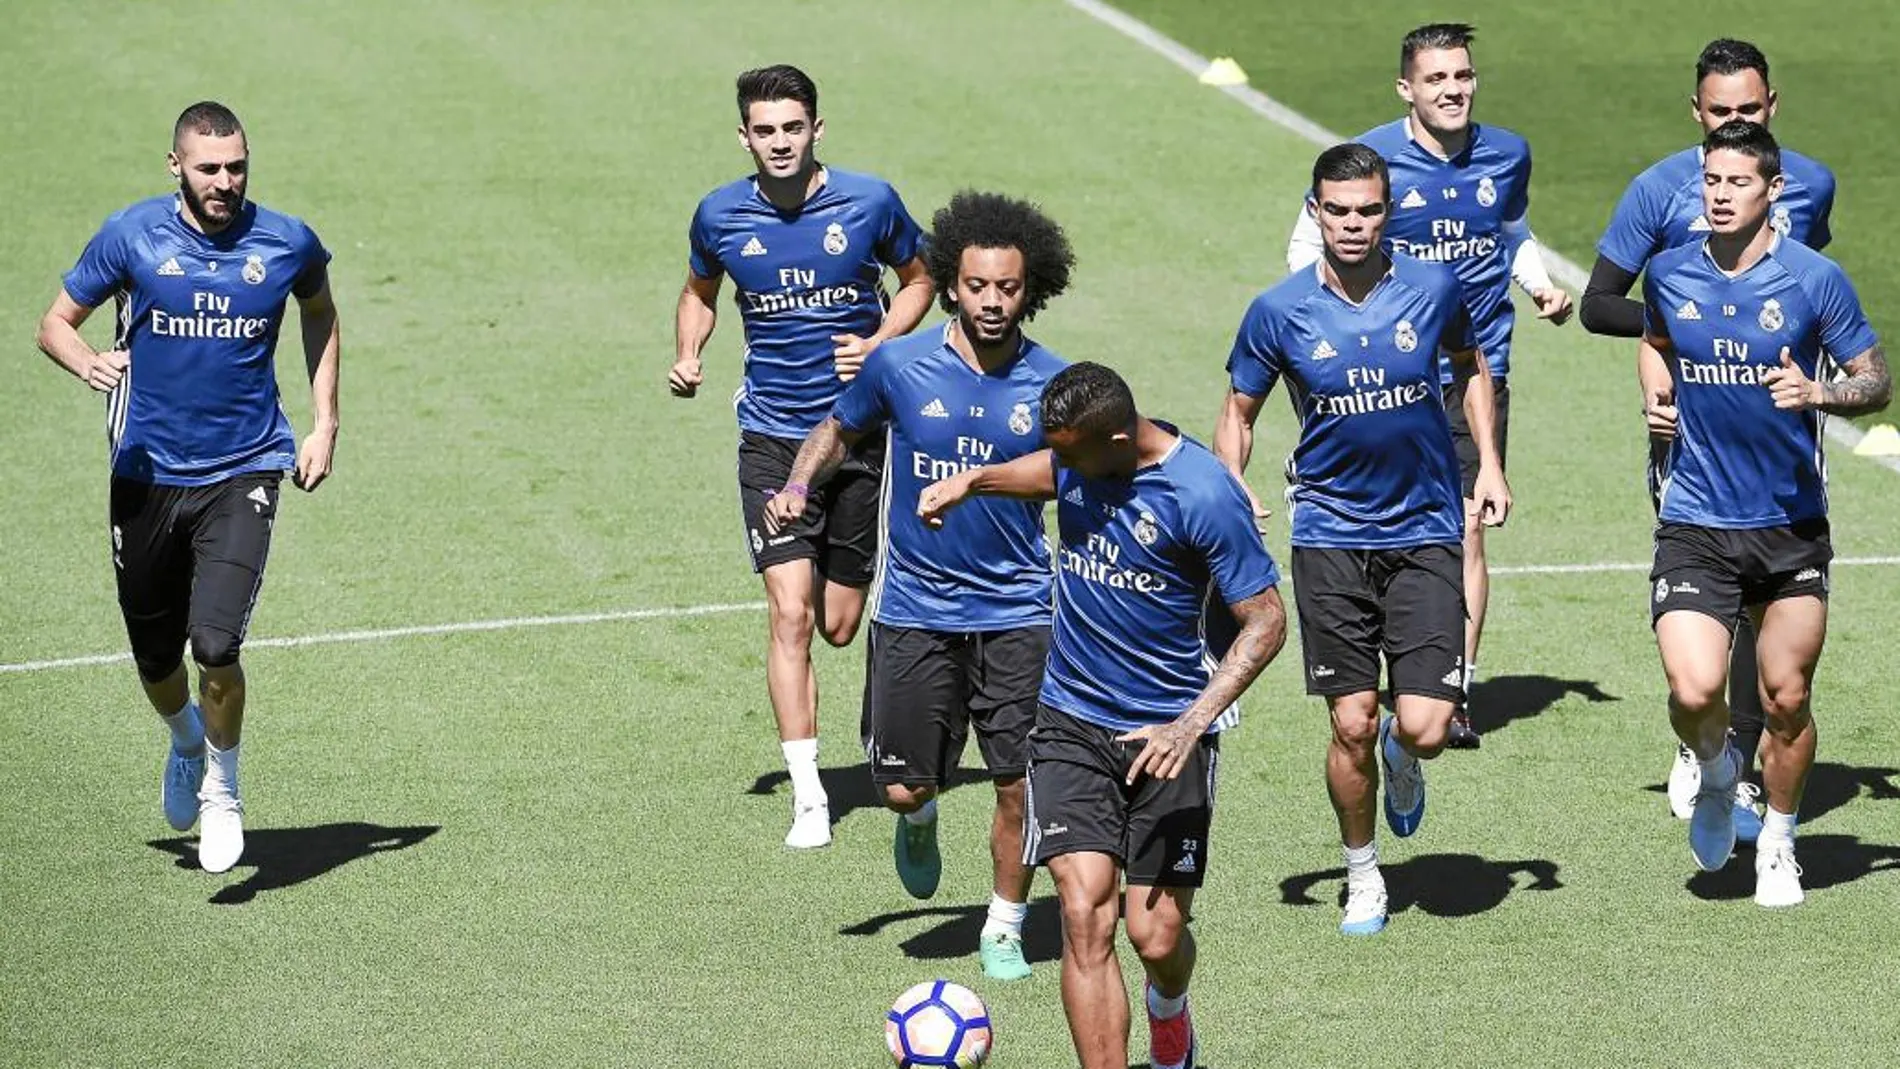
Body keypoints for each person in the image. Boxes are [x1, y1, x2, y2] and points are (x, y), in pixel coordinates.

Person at [918, 362, 1287, 1069]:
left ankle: (1169, 1009)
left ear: (1117, 438)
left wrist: (1190, 723)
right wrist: (973, 481)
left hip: (1167, 733)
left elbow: (1267, 621)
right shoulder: (1082, 460)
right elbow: (1042, 472)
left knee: (1154, 934)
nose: (1060, 466)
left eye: (1069, 451)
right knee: (1085, 912)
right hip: (1070, 721)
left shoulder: (1202, 494)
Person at [762, 190, 1075, 980]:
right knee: (901, 787)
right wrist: (800, 486)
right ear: (952, 281)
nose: (993, 302)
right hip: (915, 610)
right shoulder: (899, 365)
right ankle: (922, 815)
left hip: (1018, 611)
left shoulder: (1057, 381)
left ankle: (1003, 923)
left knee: (1018, 781)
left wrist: (985, 480)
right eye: (977, 286)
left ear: (1029, 288)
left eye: (1008, 288)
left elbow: (1081, 473)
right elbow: (838, 430)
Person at [34, 101, 341, 875]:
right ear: (176, 165)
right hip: (145, 474)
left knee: (216, 642)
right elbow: (56, 322)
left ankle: (224, 790)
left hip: (245, 467)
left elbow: (321, 311)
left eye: (236, 166)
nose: (225, 181)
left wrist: (324, 422)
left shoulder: (286, 241)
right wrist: (85, 362)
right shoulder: (131, 235)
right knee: (154, 654)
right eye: (209, 168)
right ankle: (183, 740)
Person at [1223, 143, 1508, 935]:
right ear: (1314, 211)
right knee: (1348, 718)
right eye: (1338, 210)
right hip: (1328, 534)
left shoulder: (1433, 287)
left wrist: (1486, 463)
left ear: (1389, 211)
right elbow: (1238, 411)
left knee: (1422, 725)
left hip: (1424, 530)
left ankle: (1403, 754)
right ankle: (1363, 871)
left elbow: (1472, 365)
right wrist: (1232, 481)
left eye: (1368, 210)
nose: (1353, 224)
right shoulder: (1277, 310)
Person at [671, 64, 932, 848]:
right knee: (787, 612)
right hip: (773, 438)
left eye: (792, 128)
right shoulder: (719, 214)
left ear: (817, 129)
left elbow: (920, 278)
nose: (778, 142)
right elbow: (698, 291)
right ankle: (811, 792)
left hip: (858, 435)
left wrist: (882, 341)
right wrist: (689, 351)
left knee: (838, 624)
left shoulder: (870, 201)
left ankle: (883, 747)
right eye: (764, 130)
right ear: (743, 135)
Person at [1285, 23, 1568, 747]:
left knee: (1468, 524)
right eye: (1437, 79)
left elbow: (1510, 228)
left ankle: (1455, 687)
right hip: (1386, 377)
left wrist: (1537, 284)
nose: (1453, 89)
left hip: (1476, 369)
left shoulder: (1507, 153)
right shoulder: (1371, 160)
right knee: (1385, 523)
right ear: (1406, 88)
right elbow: (1303, 244)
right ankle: (1384, 660)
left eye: (1463, 75)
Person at [1581, 39, 1838, 833]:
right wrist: (1683, 333)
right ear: (1696, 111)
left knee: (1773, 606)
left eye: (1749, 111)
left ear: (1773, 107)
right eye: (1720, 111)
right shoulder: (1657, 192)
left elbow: (1800, 295)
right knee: (1711, 586)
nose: (1734, 122)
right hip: (1688, 425)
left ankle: (1746, 756)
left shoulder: (1811, 185)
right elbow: (1599, 304)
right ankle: (1711, 748)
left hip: (1785, 425)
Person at [1637, 120, 1887, 907]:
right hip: (1697, 521)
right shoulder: (1671, 273)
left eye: (1737, 182)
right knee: (1692, 688)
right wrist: (1655, 390)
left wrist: (1822, 393)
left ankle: (1777, 841)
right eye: (1710, 181)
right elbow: (1654, 338)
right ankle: (1716, 772)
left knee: (1785, 699)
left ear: (1773, 191)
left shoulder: (1815, 280)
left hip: (1790, 526)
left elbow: (1875, 379)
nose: (1719, 194)